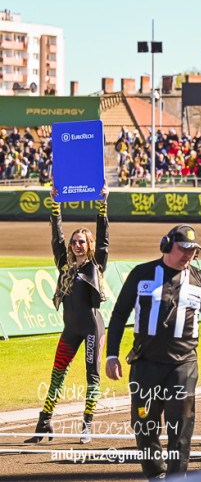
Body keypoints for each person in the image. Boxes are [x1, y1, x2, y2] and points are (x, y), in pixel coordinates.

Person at [105, 225, 201, 479]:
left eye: (193, 250)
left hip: (183, 366)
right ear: (166, 245)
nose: (189, 254)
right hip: (145, 365)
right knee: (143, 423)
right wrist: (112, 355)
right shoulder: (142, 274)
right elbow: (118, 315)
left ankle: (176, 476)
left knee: (181, 425)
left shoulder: (200, 279)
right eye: (184, 248)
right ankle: (156, 473)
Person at [27, 184, 110, 444]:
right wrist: (55, 205)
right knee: (57, 374)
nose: (76, 245)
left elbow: (104, 238)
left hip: (92, 328)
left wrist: (103, 205)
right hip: (70, 329)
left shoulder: (96, 264)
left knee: (91, 376)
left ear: (89, 245)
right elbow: (56, 238)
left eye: (81, 242)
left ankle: (86, 426)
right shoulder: (64, 264)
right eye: (74, 242)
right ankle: (44, 422)